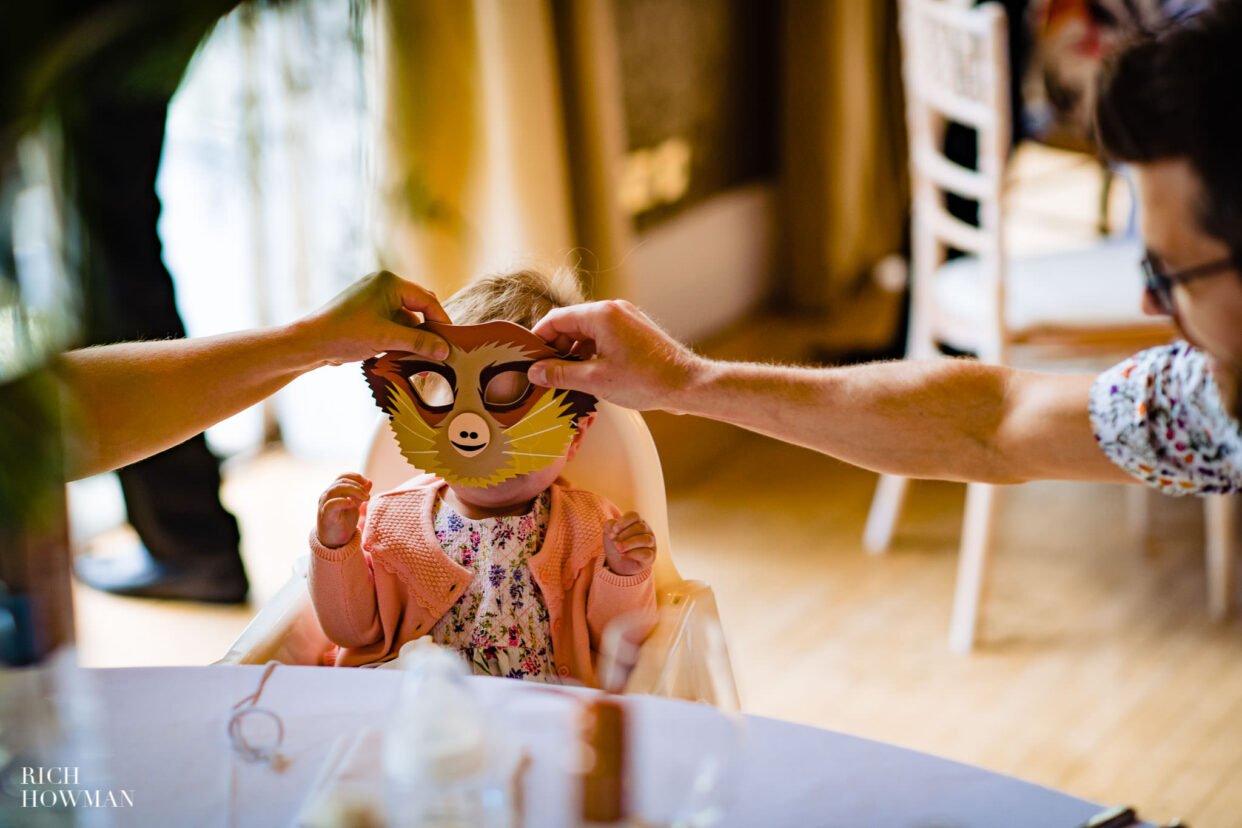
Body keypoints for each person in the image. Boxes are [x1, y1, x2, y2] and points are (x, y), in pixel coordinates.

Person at [526, 1, 1242, 499]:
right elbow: (989, 424)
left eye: (1170, 270)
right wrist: (682, 382)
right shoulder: (1206, 400)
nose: (1149, 300)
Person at [308, 269, 659, 683]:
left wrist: (623, 575)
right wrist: (335, 547)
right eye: (460, 412)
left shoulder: (589, 525)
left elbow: (620, 643)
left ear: (574, 435)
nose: (479, 438)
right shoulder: (389, 522)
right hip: (421, 713)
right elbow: (350, 631)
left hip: (542, 715)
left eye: (513, 421)